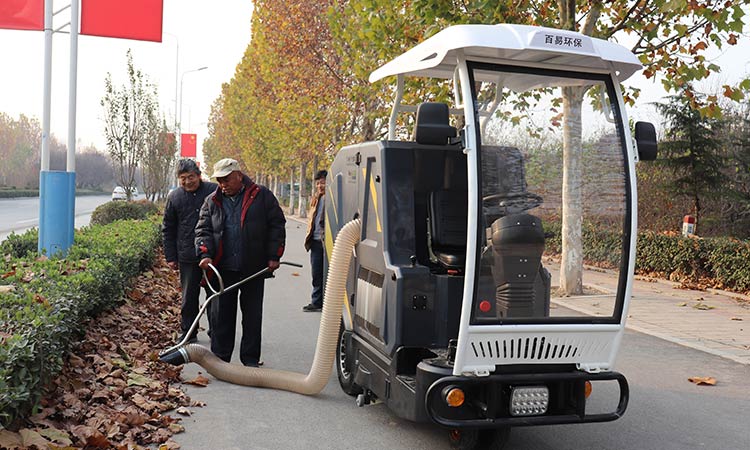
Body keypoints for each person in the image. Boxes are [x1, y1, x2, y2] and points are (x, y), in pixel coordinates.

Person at [195, 158, 286, 367]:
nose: (223, 184)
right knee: (221, 317)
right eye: (219, 180)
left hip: (253, 268)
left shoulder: (261, 196)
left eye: (226, 179)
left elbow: (277, 225)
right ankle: (220, 359)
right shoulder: (212, 201)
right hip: (223, 269)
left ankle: (251, 359)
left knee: (252, 316)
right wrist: (205, 254)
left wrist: (274, 255)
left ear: (238, 175)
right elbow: (203, 230)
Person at [162, 159, 218, 344]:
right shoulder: (175, 197)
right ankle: (188, 332)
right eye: (183, 178)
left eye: (191, 177)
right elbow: (168, 228)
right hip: (187, 254)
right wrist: (171, 257)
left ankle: (216, 331)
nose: (187, 182)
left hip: (214, 254)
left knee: (215, 295)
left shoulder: (213, 191)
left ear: (199, 175)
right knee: (189, 297)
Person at [302, 170, 327, 312]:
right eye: (317, 183)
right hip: (315, 242)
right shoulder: (316, 198)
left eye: (322, 182)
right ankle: (316, 301)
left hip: (327, 242)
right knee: (316, 273)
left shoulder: (333, 198)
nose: (320, 186)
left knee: (328, 273)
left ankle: (329, 302)